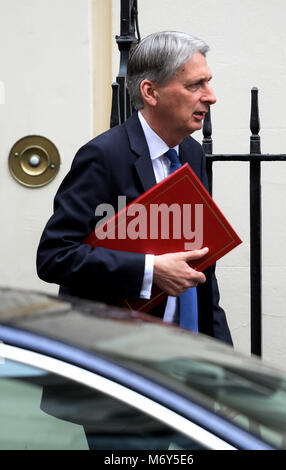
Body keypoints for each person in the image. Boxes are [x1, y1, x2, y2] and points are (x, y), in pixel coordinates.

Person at [36, 31, 232, 345]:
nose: (210, 96)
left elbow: (202, 271)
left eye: (208, 82)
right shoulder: (103, 156)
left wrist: (224, 364)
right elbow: (55, 256)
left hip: (187, 355)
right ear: (150, 92)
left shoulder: (193, 154)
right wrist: (149, 270)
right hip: (118, 360)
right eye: (195, 85)